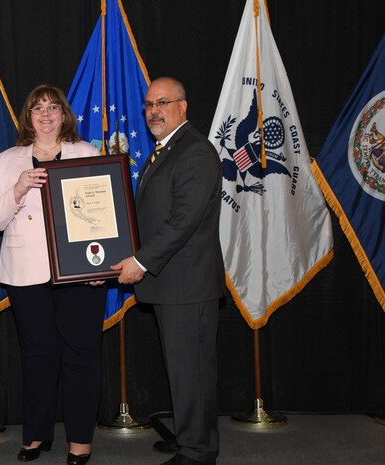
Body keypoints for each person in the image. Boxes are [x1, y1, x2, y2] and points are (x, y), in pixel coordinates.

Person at [0, 84, 106, 465]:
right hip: (26, 273)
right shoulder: (8, 159)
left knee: (81, 356)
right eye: (38, 108)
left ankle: (80, 440)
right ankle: (36, 435)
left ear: (64, 114)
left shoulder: (86, 152)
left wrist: (104, 261)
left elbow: (104, 212)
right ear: (28, 117)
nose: (46, 114)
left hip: (80, 273)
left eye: (53, 107)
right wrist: (17, 190)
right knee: (38, 356)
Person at [112, 76, 224, 465]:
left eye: (162, 102)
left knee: (191, 370)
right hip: (173, 283)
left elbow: (183, 221)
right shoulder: (165, 150)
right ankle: (191, 437)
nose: (153, 111)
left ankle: (197, 451)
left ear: (183, 106)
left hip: (187, 285)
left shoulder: (194, 151)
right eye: (148, 104)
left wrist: (140, 262)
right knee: (181, 368)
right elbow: (151, 217)